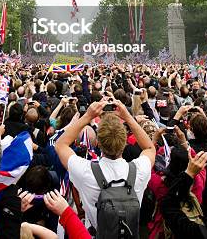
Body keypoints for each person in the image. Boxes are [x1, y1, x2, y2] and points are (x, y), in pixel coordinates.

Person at [55, 98, 155, 232]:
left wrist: (87, 116)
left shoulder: (86, 171)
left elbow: (60, 145)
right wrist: (129, 118)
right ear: (125, 141)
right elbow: (149, 148)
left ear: (98, 143)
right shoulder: (139, 170)